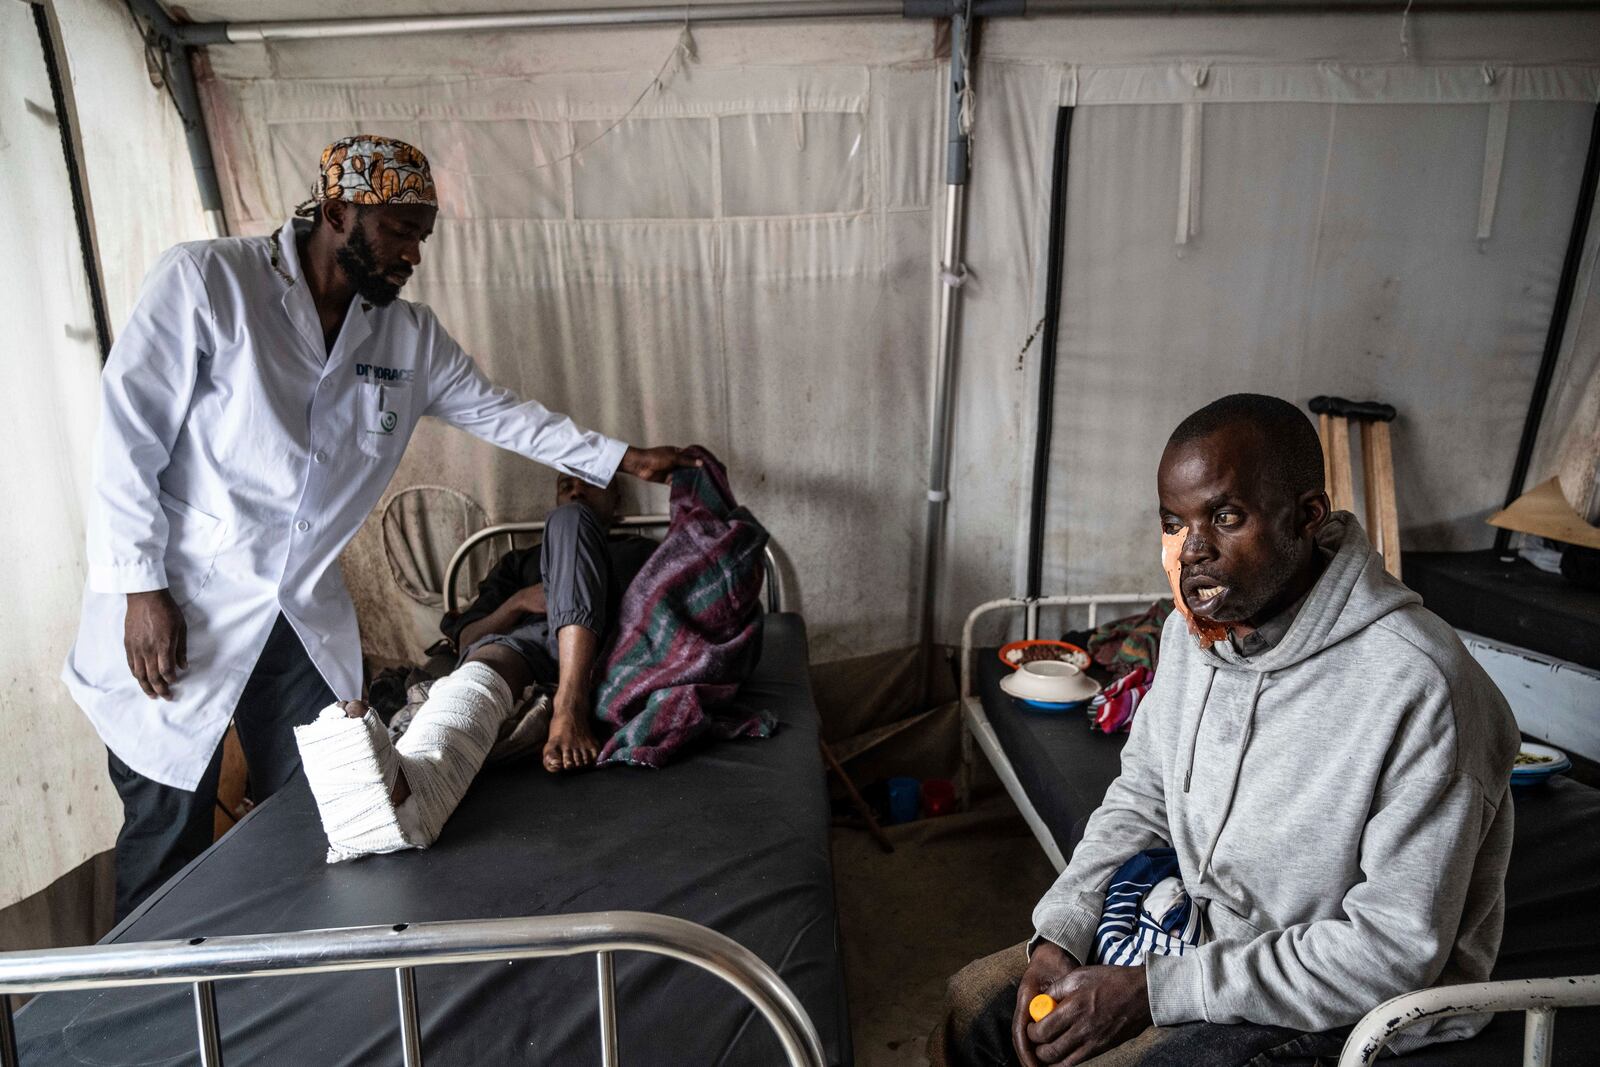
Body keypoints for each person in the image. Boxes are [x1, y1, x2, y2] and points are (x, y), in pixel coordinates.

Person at [62, 133, 694, 920]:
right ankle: (142, 1018)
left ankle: (300, 986)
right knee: (167, 827)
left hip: (294, 615)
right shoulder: (208, 282)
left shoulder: (407, 338)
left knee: (329, 806)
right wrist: (139, 585)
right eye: (399, 231)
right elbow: (130, 436)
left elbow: (503, 414)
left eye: (422, 236)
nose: (413, 255)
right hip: (178, 598)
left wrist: (624, 456)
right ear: (336, 211)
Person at [936, 393, 1519, 1067]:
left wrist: (1155, 992)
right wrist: (1061, 929)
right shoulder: (1197, 630)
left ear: (1306, 516)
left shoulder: (1422, 687)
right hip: (1201, 934)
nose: (1193, 551)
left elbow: (1389, 952)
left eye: (1226, 515)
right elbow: (1144, 793)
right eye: (1174, 522)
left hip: (1347, 999)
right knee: (976, 1007)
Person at [440, 470, 657, 771]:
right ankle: (445, 734)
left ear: (616, 498)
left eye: (590, 484)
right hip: (525, 646)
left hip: (605, 644)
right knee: (487, 663)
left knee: (571, 519)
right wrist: (518, 602)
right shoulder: (519, 562)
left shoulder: (642, 552)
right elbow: (467, 639)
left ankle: (569, 705)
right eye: (566, 486)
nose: (576, 492)